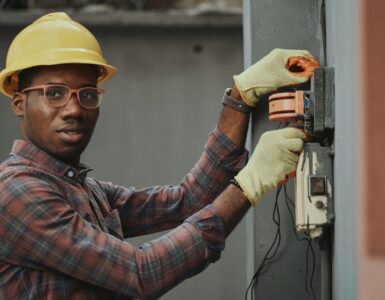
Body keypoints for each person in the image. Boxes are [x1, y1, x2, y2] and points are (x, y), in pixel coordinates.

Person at [0, 12, 317, 300]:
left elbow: (186, 202)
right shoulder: (16, 192)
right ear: (18, 104)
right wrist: (249, 185)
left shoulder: (84, 191)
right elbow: (140, 273)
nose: (73, 109)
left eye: (87, 94)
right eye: (53, 94)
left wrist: (241, 96)